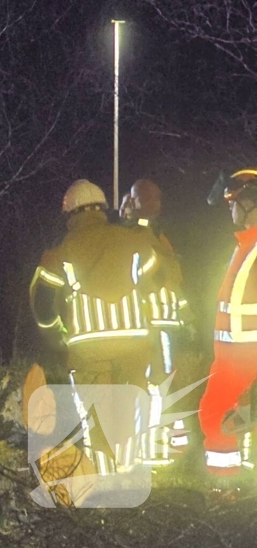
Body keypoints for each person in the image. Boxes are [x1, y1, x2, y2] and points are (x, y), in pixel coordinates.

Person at [30, 179, 162, 476]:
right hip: (135, 346)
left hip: (88, 350)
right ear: (103, 209)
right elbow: (156, 271)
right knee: (130, 412)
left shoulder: (59, 254)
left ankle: (105, 484)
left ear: (70, 215)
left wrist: (55, 337)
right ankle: (134, 477)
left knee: (96, 420)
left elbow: (42, 303)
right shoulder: (134, 241)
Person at [120, 178, 190, 464]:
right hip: (149, 322)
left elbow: (175, 280)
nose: (154, 205)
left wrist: (187, 315)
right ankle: (154, 447)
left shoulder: (158, 236)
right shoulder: (133, 235)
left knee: (167, 380)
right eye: (148, 199)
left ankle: (174, 443)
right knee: (154, 382)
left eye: (157, 199)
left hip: (168, 322)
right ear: (134, 201)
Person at [199, 168, 257, 475]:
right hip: (233, 360)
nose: (230, 208)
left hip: (245, 359)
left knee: (219, 418)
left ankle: (227, 490)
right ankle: (233, 491)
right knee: (225, 419)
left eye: (233, 201)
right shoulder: (244, 245)